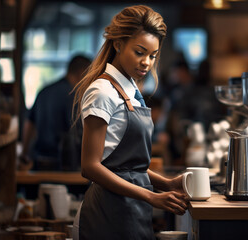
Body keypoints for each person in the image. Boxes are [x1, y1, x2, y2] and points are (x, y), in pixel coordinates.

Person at [71, 5, 189, 240]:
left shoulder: (131, 91)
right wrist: (151, 196)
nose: (147, 62)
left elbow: (127, 167)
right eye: (139, 52)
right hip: (106, 214)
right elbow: (90, 167)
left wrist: (166, 184)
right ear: (118, 44)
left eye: (153, 56)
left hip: (131, 210)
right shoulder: (102, 91)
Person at [20, 55, 91, 171]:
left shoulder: (44, 91)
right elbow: (80, 133)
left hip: (38, 161)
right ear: (81, 73)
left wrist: (24, 153)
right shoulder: (74, 96)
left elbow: (29, 123)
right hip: (63, 165)